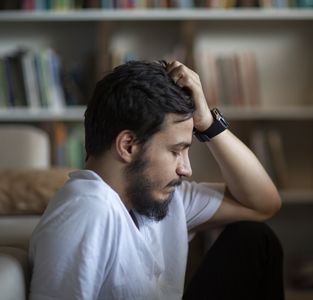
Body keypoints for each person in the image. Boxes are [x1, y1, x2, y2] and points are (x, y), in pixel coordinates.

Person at [29, 60, 284, 300]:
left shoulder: (157, 197)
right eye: (176, 151)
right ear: (128, 146)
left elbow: (262, 205)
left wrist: (208, 123)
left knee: (254, 239)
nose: (186, 169)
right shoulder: (87, 208)